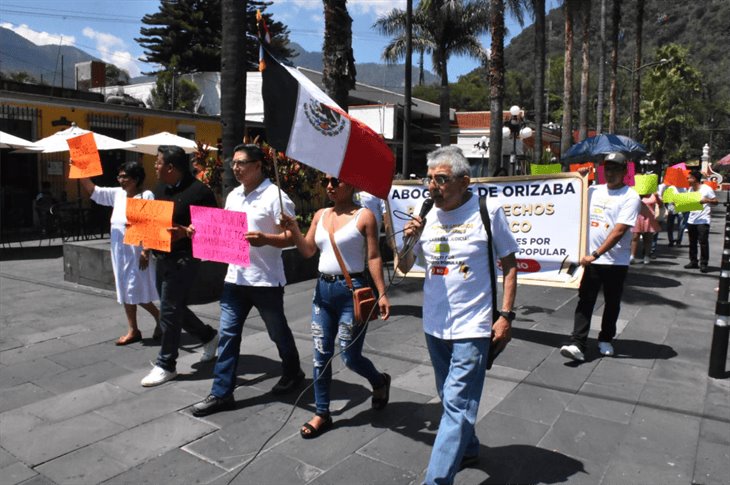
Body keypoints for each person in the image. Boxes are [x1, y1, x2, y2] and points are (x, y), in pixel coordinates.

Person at [397, 146, 518, 484]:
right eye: (429, 179)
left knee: (455, 404)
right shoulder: (426, 216)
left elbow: (509, 265)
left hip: (473, 325)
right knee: (453, 401)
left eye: (441, 179)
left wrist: (506, 315)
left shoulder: (487, 211)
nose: (432, 186)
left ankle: (436, 480)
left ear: (465, 181)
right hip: (434, 326)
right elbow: (403, 267)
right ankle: (468, 448)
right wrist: (409, 241)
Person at [191, 145, 305, 416]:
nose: (236, 168)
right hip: (235, 278)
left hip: (265, 280)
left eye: (242, 163)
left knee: (277, 332)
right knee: (229, 335)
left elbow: (292, 237)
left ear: (258, 165)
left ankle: (292, 371)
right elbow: (225, 232)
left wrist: (267, 239)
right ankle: (221, 393)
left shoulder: (276, 197)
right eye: (234, 163)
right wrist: (200, 231)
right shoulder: (233, 196)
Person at [281, 174, 391, 440]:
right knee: (320, 354)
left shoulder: (365, 216)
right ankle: (322, 412)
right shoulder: (320, 214)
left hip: (352, 291)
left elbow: (374, 256)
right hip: (323, 292)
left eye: (336, 181)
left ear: (351, 183)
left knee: (350, 357)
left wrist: (383, 292)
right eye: (326, 181)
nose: (329, 186)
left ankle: (379, 381)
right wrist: (295, 228)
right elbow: (308, 251)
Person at [141, 145, 219, 387]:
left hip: (185, 259)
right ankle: (209, 336)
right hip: (161, 256)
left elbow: (213, 229)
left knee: (169, 310)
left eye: (158, 162)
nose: (155, 166)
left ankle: (167, 364)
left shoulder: (200, 192)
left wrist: (185, 233)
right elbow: (152, 221)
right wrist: (145, 247)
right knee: (172, 308)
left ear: (171, 167)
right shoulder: (159, 189)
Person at [560, 152, 640, 362]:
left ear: (624, 172)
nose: (611, 172)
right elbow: (570, 204)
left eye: (616, 168)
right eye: (608, 168)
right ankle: (578, 343)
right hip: (589, 259)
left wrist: (595, 254)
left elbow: (619, 230)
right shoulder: (593, 190)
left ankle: (606, 338)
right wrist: (579, 180)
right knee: (585, 301)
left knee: (612, 302)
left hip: (614, 261)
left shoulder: (630, 196)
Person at [77, 162, 160, 345]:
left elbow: (152, 224)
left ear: (136, 179)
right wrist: (80, 171)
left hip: (137, 250)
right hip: (119, 250)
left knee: (135, 289)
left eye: (125, 177)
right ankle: (133, 329)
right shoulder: (118, 194)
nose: (121, 180)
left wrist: (146, 250)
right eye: (119, 176)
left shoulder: (146, 195)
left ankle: (159, 317)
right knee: (124, 289)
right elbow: (94, 191)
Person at [684, 170, 718, 273]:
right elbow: (688, 204)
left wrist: (707, 201)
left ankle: (704, 263)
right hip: (692, 220)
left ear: (694, 179)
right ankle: (693, 261)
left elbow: (716, 201)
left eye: (689, 178)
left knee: (703, 242)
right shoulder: (690, 190)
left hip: (703, 220)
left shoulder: (706, 189)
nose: (688, 179)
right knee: (692, 242)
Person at [630, 192, 662, 265]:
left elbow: (661, 205)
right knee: (635, 237)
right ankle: (632, 256)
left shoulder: (654, 194)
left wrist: (657, 197)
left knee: (648, 239)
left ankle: (646, 256)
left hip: (650, 219)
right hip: (638, 218)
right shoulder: (636, 193)